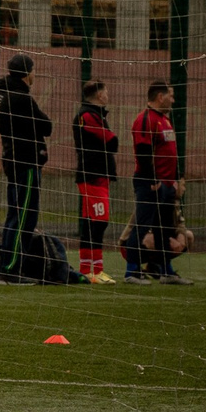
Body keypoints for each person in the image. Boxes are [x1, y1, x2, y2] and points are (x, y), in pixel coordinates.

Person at [0, 51, 52, 278]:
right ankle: (12, 270)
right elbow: (46, 125)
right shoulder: (21, 98)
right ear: (27, 73)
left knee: (14, 215)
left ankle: (9, 265)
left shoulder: (2, 93)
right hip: (25, 161)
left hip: (13, 159)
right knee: (24, 216)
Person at [120, 80, 185, 282]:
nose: (173, 100)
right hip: (149, 182)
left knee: (163, 229)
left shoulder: (164, 120)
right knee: (142, 225)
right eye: (171, 96)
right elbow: (143, 151)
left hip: (166, 185)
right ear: (160, 97)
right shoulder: (145, 119)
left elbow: (170, 153)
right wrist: (153, 179)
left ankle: (165, 271)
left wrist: (175, 180)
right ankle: (131, 271)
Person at [71, 79, 119, 283]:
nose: (108, 94)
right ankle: (95, 271)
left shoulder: (95, 114)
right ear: (100, 95)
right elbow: (111, 140)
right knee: (98, 222)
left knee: (93, 222)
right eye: (106, 91)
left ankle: (87, 269)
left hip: (98, 176)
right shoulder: (87, 115)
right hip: (93, 176)